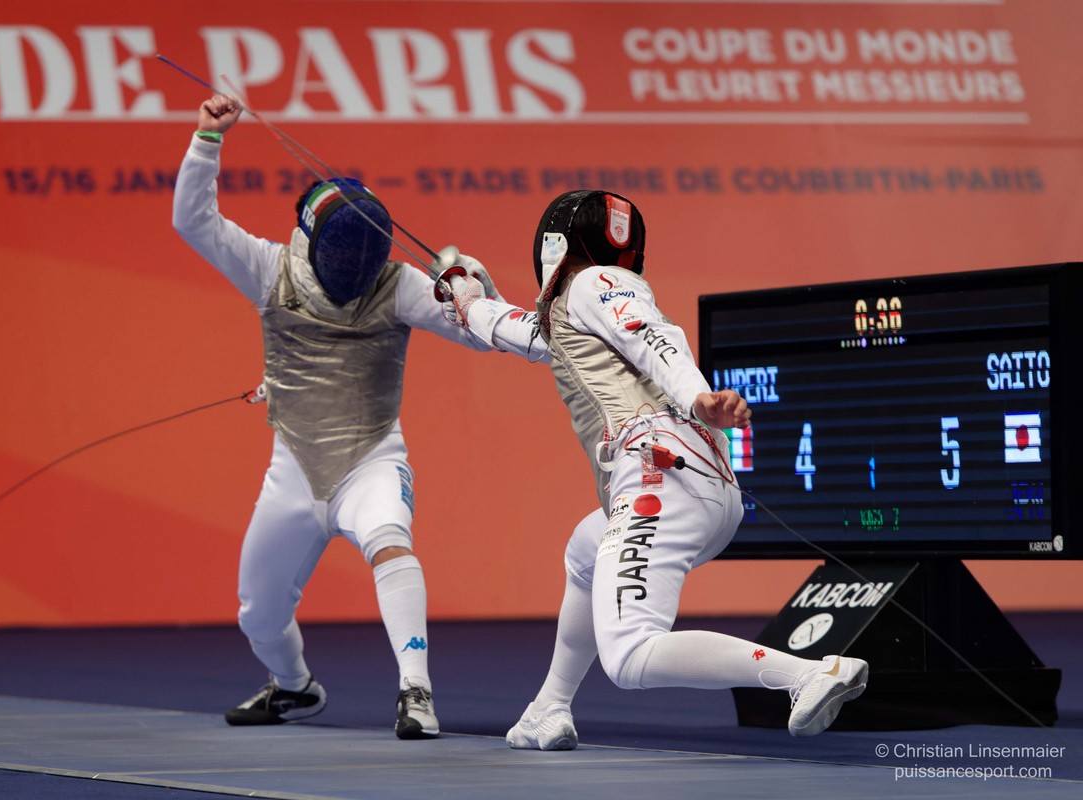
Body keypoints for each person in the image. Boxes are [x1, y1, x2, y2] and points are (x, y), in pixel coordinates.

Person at [443, 190, 868, 748]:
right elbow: (522, 331)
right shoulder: (575, 310)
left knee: (629, 656)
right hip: (697, 486)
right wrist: (470, 301)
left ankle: (810, 674)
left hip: (657, 479)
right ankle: (548, 708)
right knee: (585, 551)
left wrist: (698, 398)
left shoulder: (593, 285)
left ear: (554, 245)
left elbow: (653, 337)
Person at [172, 93, 504, 739]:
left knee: (390, 542)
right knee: (258, 611)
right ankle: (295, 687)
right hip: (293, 471)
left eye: (364, 257)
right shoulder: (269, 269)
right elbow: (193, 220)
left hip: (371, 459)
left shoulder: (400, 283)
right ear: (315, 241)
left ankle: (416, 692)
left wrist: (471, 287)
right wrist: (207, 139)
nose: (354, 269)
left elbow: (481, 335)